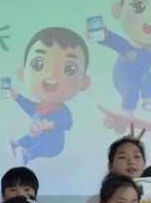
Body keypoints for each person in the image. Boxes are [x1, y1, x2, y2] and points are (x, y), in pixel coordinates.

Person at [6, 27, 92, 164]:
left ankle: (28, 155)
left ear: (84, 82)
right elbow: (29, 107)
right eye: (38, 65)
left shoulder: (61, 110)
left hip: (52, 145)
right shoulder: (38, 107)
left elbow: (67, 123)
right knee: (28, 138)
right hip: (35, 136)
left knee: (41, 146)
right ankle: (16, 144)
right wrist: (16, 96)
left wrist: (51, 124)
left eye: (69, 69)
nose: (51, 74)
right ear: (22, 73)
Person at [71, 137, 147, 203]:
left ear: (145, 164)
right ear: (111, 166)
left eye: (137, 156)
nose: (131, 161)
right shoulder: (97, 201)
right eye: (123, 157)